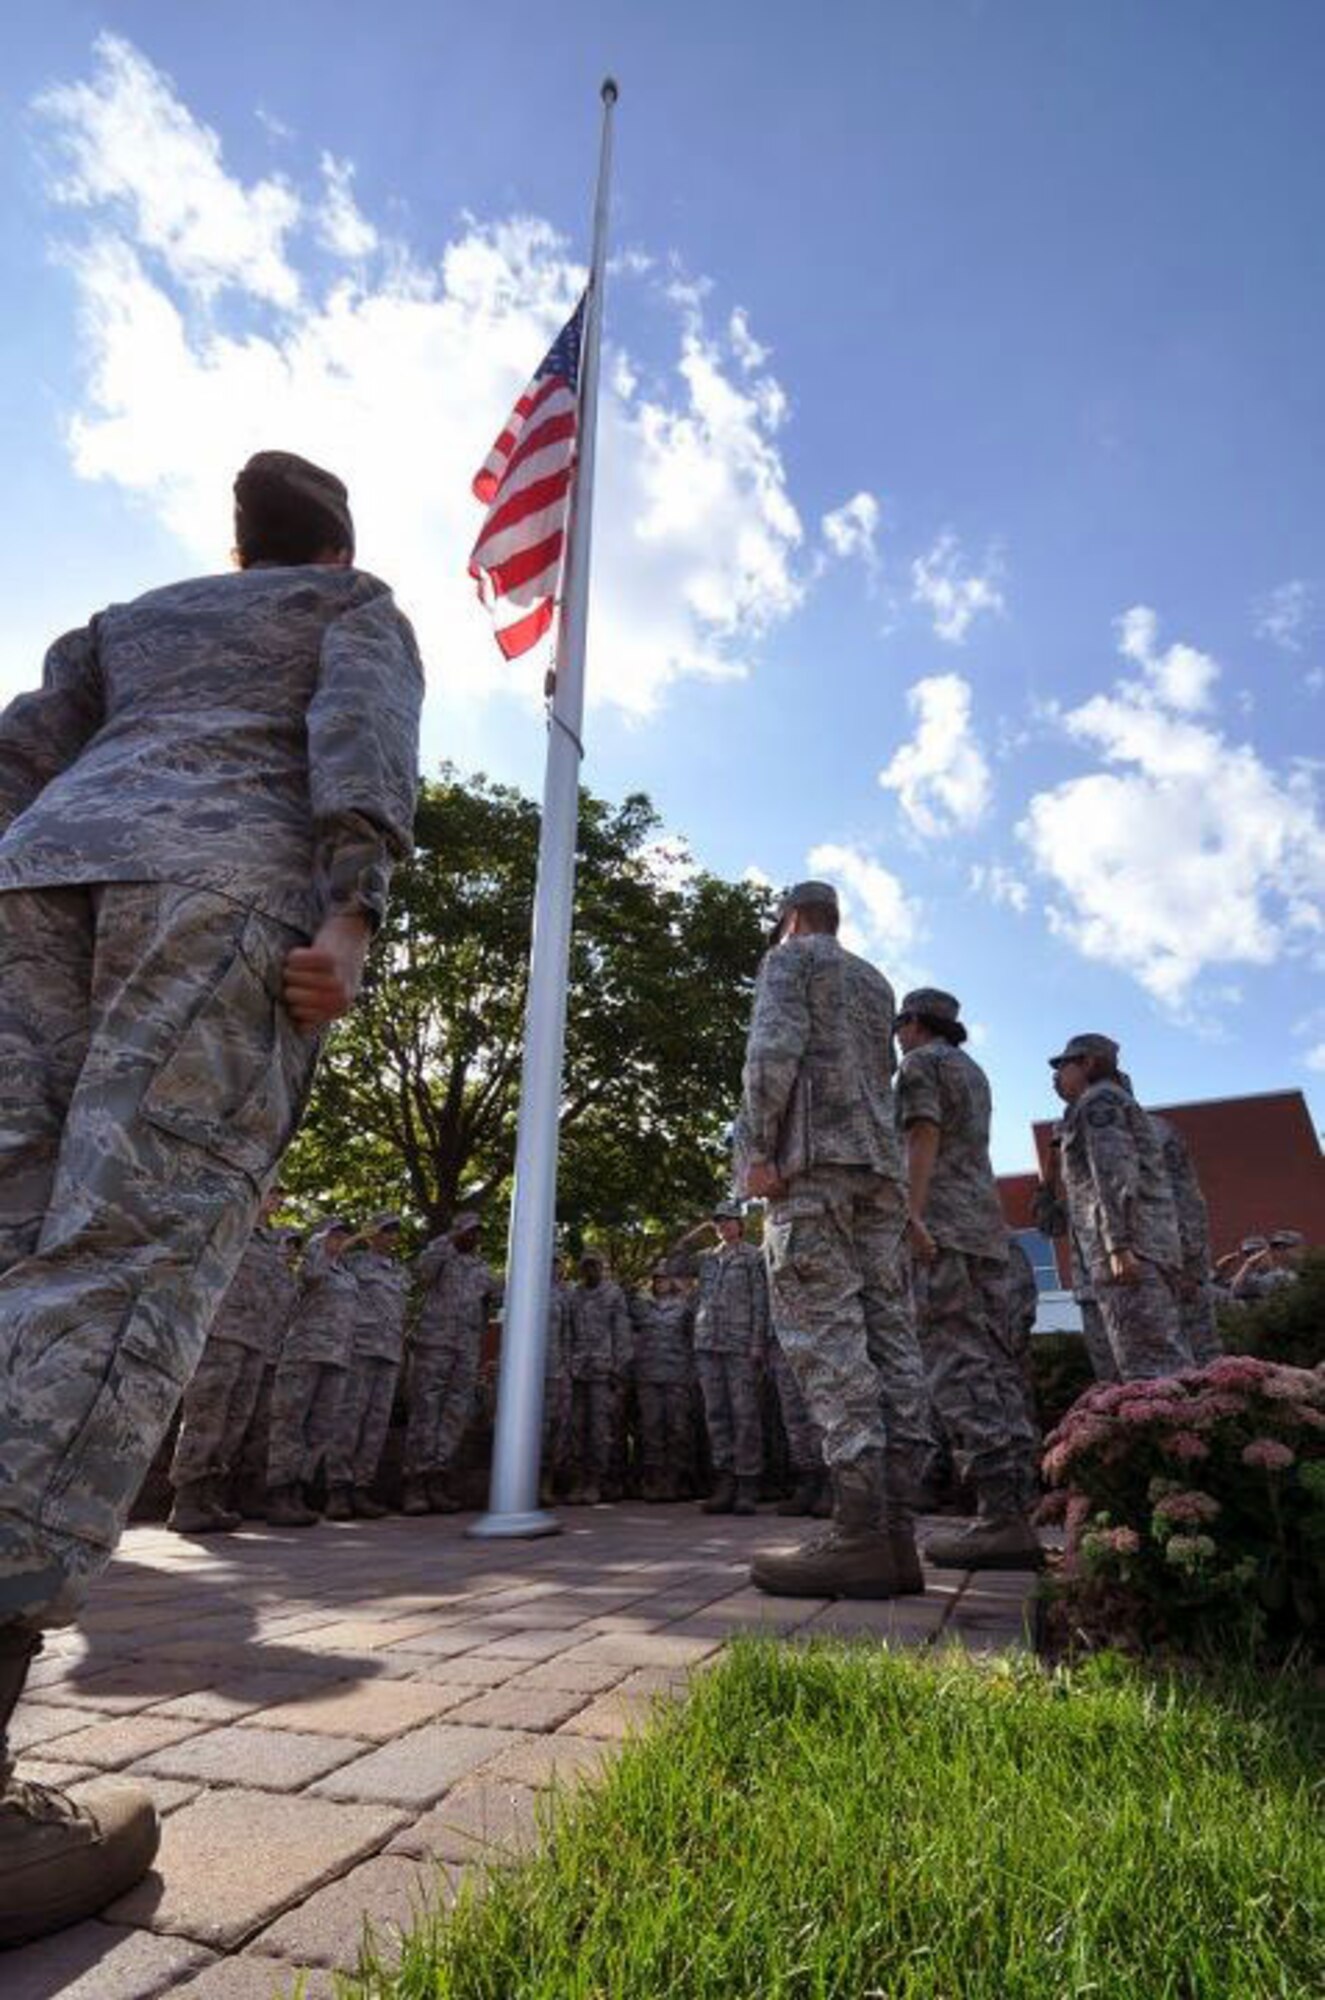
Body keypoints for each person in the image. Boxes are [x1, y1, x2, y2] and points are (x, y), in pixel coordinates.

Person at [0, 448, 422, 1942]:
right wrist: (352, 918)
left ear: (237, 543)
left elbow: (16, 751)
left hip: (30, 888)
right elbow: (359, 743)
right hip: (220, 894)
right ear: (334, 544)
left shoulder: (125, 619)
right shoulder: (351, 603)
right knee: (115, 1274)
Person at [734, 880, 932, 1598]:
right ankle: (897, 1534)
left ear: (789, 918)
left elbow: (773, 1049)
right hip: (876, 1173)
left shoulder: (790, 960)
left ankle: (856, 1534)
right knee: (889, 1339)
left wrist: (758, 1146)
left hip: (810, 1166)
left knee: (827, 1339)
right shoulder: (875, 982)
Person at [895, 991, 1041, 1570]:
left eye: (900, 1025)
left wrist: (911, 1212)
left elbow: (921, 1135)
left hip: (942, 1233)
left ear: (913, 1024)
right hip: (985, 1231)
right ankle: (1015, 1509)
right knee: (994, 1365)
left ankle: (1000, 1519)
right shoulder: (972, 1071)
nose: (897, 1036)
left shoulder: (920, 1065)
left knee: (956, 1365)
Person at [1049, 1033, 1191, 1378]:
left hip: (1131, 1254)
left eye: (1063, 1065)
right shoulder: (1104, 1102)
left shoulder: (1099, 1102)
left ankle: (1176, 1430)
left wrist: (1118, 1246)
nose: (1056, 1076)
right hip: (1141, 1249)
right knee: (1155, 1362)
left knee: (1152, 1370)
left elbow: (1113, 1174)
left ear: (1087, 1063)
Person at [166, 1185, 293, 1535]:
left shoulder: (271, 1242)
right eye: (273, 1192)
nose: (279, 1200)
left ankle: (210, 1499)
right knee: (207, 1416)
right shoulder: (229, 1224)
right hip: (222, 1332)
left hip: (255, 1339)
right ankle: (186, 1502)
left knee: (235, 1422)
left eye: (281, 1195)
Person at [403, 1211, 502, 1514]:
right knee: (426, 1411)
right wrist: (446, 1241)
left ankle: (438, 1479)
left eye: (476, 1233)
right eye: (468, 1232)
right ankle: (415, 1483)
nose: (473, 1237)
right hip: (436, 1343)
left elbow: (496, 1299)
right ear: (456, 1232)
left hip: (466, 1349)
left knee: (455, 1414)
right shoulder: (441, 1257)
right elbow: (421, 1273)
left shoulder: (481, 1268)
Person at [265, 1217, 359, 1524]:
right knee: (289, 1423)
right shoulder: (313, 1263)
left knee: (319, 1429)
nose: (341, 1240)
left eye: (345, 1235)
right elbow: (311, 1275)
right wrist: (322, 1246)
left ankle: (298, 1493)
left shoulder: (346, 1274)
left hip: (336, 1358)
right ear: (321, 1238)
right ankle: (279, 1493)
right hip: (304, 1353)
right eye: (335, 1235)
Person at [684, 1201, 768, 1516]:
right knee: (716, 1415)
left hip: (740, 1345)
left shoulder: (753, 1257)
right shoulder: (707, 1259)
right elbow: (675, 1262)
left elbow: (761, 1303)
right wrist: (698, 1232)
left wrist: (757, 1343)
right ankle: (725, 1480)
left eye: (728, 1220)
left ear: (740, 1223)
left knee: (745, 1414)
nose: (723, 1226)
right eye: (718, 1221)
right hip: (708, 1345)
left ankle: (748, 1483)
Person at [325, 1213, 409, 1519]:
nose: (391, 1236)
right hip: (360, 1348)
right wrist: (360, 1236)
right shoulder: (357, 1261)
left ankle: (361, 1488)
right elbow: (328, 1254)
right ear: (373, 1234)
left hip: (389, 1353)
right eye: (385, 1230)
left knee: (375, 1425)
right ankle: (337, 1491)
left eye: (395, 1232)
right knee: (349, 1419)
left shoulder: (399, 1271)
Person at [231, 1226, 303, 1517]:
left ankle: (251, 1495)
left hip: (276, 1359)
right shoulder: (262, 1270)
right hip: (251, 1349)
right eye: (286, 1244)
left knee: (263, 1430)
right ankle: (220, 1493)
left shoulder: (292, 1282)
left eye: (296, 1246)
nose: (291, 1251)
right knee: (235, 1423)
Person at [1148, 1112, 1221, 1365]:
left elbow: (1187, 1205)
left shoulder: (1151, 1129)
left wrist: (1188, 1265)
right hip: (1156, 1271)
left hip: (1179, 1270)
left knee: (1202, 1359)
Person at [565, 1252, 632, 1506]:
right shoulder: (573, 1294)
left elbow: (622, 1333)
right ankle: (577, 1480)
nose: (590, 1271)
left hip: (604, 1372)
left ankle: (595, 1481)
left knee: (600, 1429)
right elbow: (567, 1330)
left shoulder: (613, 1294)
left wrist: (619, 1369)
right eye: (586, 1267)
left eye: (594, 1266)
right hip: (577, 1370)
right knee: (575, 1428)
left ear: (601, 1268)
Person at [630, 1266, 697, 1502]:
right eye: (657, 1279)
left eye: (666, 1278)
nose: (661, 1283)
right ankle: (654, 1480)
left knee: (677, 1428)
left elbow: (693, 1335)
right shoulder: (642, 1306)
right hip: (648, 1376)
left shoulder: (685, 1307)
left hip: (677, 1375)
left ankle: (676, 1480)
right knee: (651, 1428)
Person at [540, 1257, 572, 1507]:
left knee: (555, 1428)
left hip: (557, 1370)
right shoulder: (525, 1286)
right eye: (550, 1262)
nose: (554, 1267)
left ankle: (546, 1484)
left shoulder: (566, 1294)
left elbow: (571, 1332)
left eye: (557, 1263)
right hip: (528, 1372)